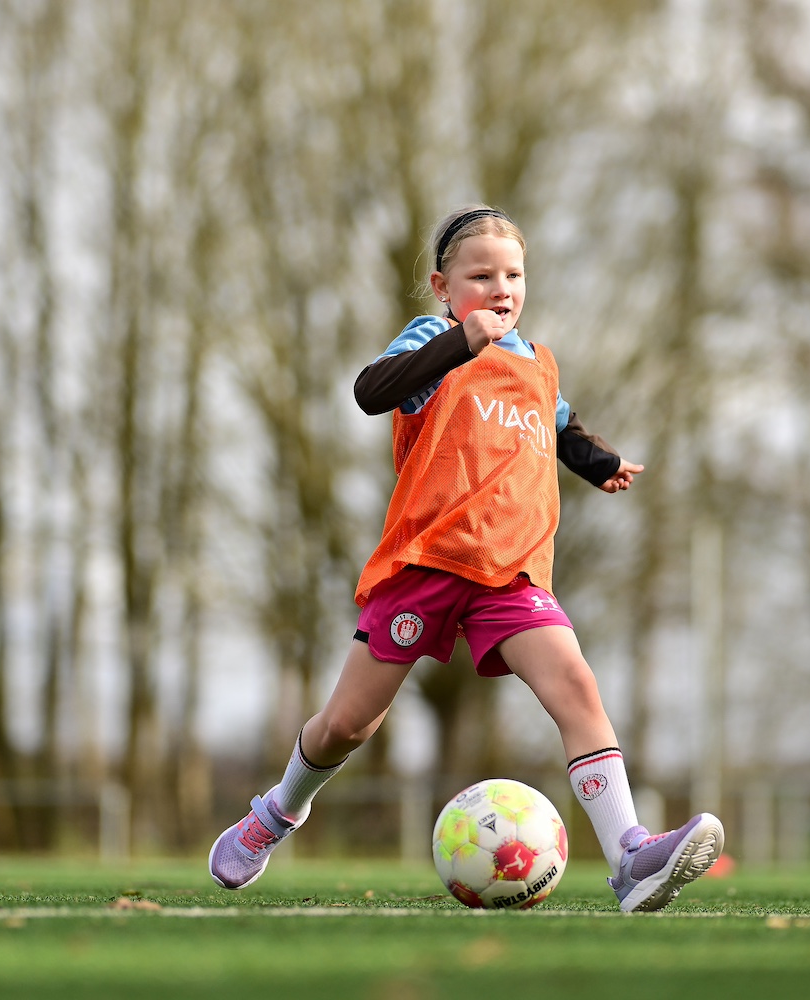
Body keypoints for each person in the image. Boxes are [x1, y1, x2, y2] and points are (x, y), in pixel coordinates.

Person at [209, 206, 724, 913]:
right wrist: (459, 344)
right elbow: (370, 391)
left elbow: (560, 423)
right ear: (443, 286)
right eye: (481, 276)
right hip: (428, 564)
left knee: (576, 684)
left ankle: (630, 857)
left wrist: (598, 463)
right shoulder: (435, 339)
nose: (500, 288)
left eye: (513, 274)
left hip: (510, 572)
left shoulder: (538, 364)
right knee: (348, 726)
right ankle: (273, 815)